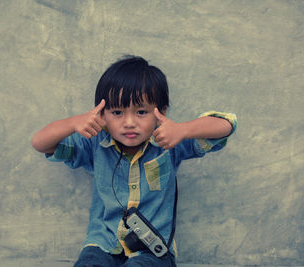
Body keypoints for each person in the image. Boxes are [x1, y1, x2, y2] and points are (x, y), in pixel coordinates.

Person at [32, 55, 237, 267]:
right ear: (102, 115)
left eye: (141, 112)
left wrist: (183, 130)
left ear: (160, 112)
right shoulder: (94, 142)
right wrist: (74, 122)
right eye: (117, 112)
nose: (129, 123)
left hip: (152, 250)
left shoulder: (169, 140)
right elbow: (40, 142)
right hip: (103, 244)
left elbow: (227, 125)